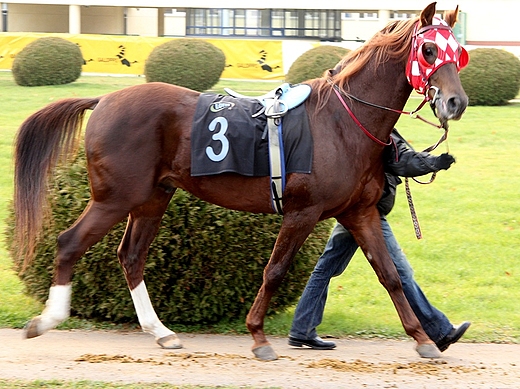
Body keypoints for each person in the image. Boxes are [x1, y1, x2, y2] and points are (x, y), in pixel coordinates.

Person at [288, 129, 470, 352]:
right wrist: (435, 163)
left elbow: (399, 157)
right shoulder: (377, 125)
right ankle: (439, 331)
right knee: (399, 271)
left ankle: (301, 329)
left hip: (353, 208)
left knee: (326, 267)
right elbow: (401, 160)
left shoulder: (367, 123)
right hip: (367, 215)